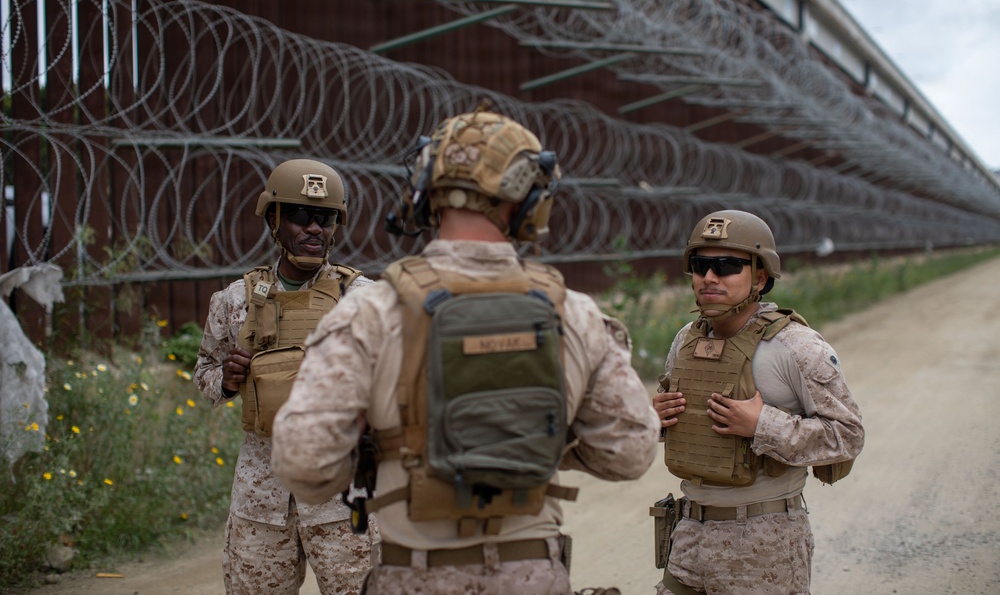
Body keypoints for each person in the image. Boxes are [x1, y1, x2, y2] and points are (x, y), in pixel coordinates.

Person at [271, 108, 659, 595]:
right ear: (527, 197)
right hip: (531, 578)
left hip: (412, 577)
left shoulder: (369, 312)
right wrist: (531, 441)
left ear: (424, 190)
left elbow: (303, 462)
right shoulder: (574, 313)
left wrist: (383, 447)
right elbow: (631, 452)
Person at [651, 210, 864, 594]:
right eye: (701, 265)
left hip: (764, 544)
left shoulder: (796, 346)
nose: (710, 277)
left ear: (760, 277)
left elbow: (848, 435)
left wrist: (763, 425)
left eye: (729, 266)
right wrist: (656, 419)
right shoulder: (686, 339)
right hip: (688, 537)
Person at [193, 158, 375, 595]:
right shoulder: (234, 301)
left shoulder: (364, 299)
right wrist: (228, 380)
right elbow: (204, 375)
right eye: (300, 215)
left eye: (326, 218)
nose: (315, 228)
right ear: (274, 220)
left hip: (341, 495)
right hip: (261, 497)